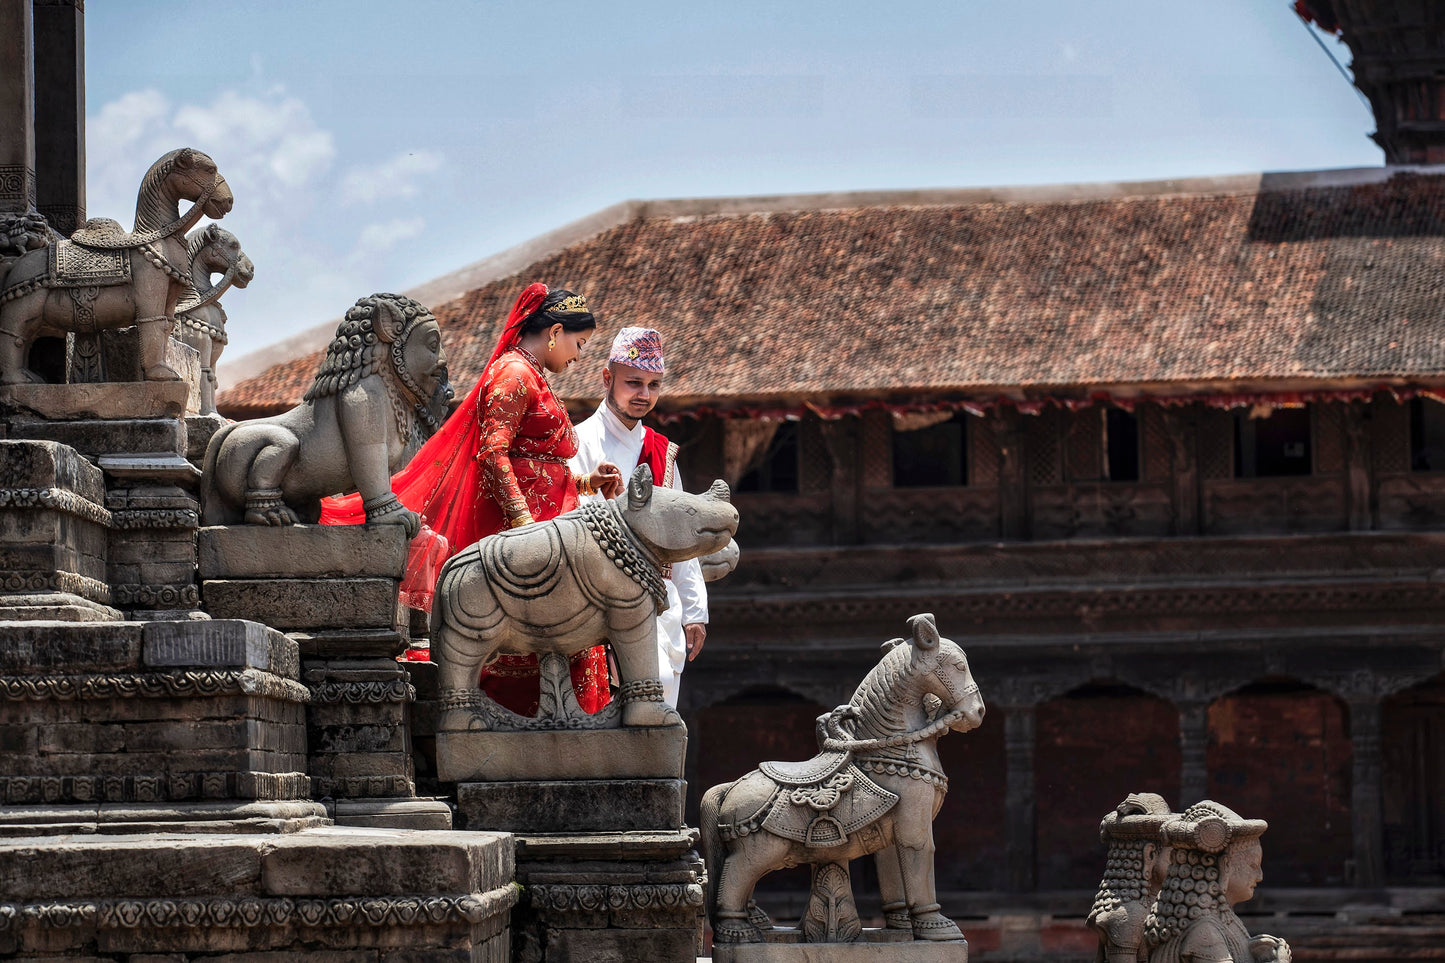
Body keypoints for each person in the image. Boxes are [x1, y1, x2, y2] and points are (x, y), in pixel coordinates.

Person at [320, 282, 624, 715]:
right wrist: (528, 530)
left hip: (551, 534)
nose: (579, 355)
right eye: (580, 343)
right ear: (555, 331)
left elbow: (535, 470)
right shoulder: (515, 374)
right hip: (530, 542)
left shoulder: (531, 373)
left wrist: (588, 483)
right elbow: (494, 454)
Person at [569, 327, 708, 708]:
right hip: (601, 603)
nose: (644, 395)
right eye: (634, 383)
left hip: (662, 604)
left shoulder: (662, 452)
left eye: (654, 385)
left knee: (662, 707)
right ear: (607, 378)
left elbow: (683, 535)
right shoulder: (577, 444)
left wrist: (696, 611)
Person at [1143, 800, 1291, 963]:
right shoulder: (1205, 932)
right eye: (1253, 866)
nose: (1260, 876)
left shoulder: (1224, 919)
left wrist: (1250, 950)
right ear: (1225, 866)